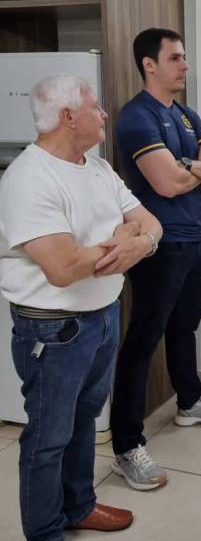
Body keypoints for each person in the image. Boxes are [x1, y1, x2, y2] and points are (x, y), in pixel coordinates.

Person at [0, 74, 162, 541]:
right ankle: (45, 530)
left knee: (84, 420)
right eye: (96, 106)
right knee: (49, 436)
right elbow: (63, 267)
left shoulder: (98, 168)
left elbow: (150, 222)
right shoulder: (28, 178)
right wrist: (123, 242)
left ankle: (78, 506)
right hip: (53, 331)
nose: (104, 113)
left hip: (103, 316)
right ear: (69, 116)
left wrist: (140, 242)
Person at [110, 28, 201, 492]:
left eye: (184, 57)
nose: (185, 65)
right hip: (160, 245)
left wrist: (186, 166)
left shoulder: (185, 114)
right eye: (176, 58)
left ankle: (189, 400)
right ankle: (127, 445)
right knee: (144, 338)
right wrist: (195, 167)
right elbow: (164, 184)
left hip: (198, 237)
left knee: (186, 325)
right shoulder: (135, 117)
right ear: (150, 64)